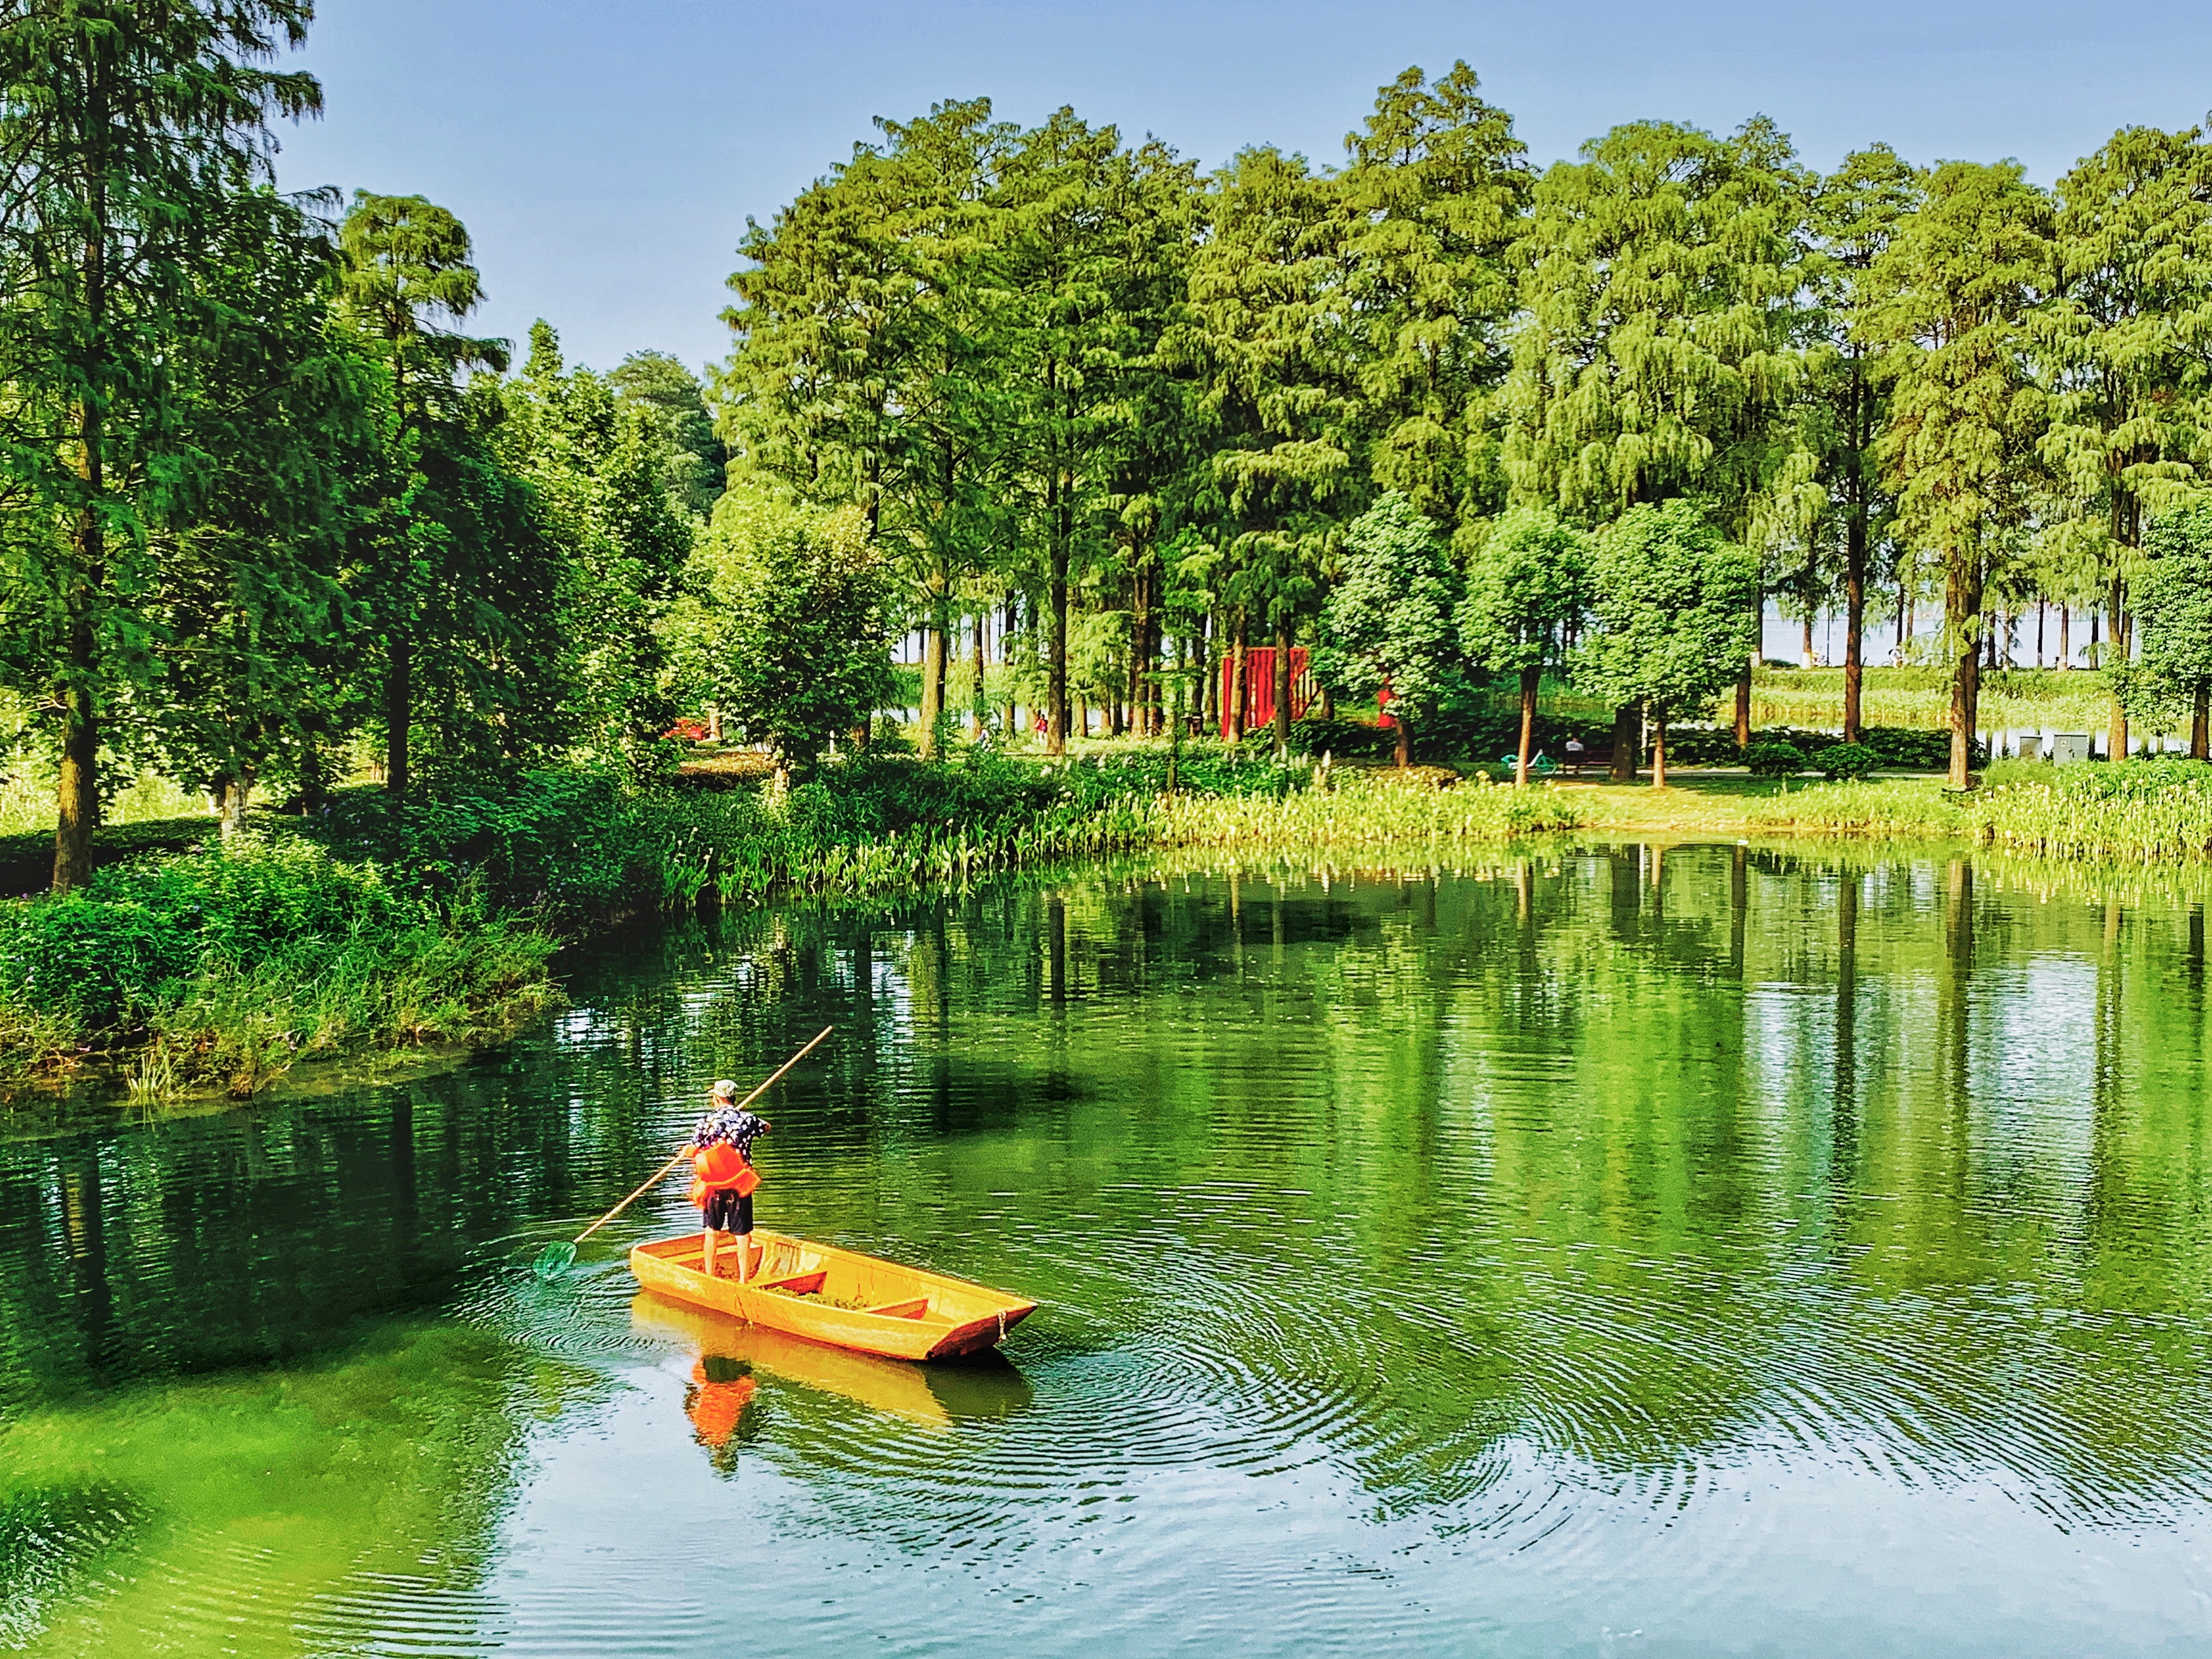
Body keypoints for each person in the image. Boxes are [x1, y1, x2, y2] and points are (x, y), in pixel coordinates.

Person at [689, 1079, 770, 1282]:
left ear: (716, 1098)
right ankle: (743, 1280)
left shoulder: (705, 1121)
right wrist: (749, 1123)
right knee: (742, 1234)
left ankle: (710, 1276)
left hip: (714, 1185)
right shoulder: (748, 1119)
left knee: (712, 1230)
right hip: (739, 1185)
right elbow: (767, 1127)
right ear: (734, 1098)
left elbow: (694, 1149)